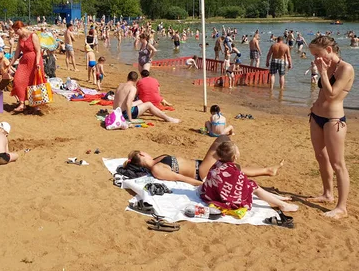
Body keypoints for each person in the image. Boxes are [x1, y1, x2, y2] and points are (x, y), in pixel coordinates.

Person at [307, 36, 355, 219]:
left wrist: (323, 73)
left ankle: (341, 207)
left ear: (329, 50)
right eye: (313, 56)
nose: (316, 59)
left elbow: (332, 95)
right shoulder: (325, 66)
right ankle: (328, 193)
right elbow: (321, 93)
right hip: (317, 116)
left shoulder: (346, 68)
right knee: (321, 157)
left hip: (334, 120)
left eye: (317, 54)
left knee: (338, 163)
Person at [123, 136, 284, 186]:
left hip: (201, 166)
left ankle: (268, 171)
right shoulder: (157, 169)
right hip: (200, 173)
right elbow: (181, 178)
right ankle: (235, 150)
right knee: (221, 139)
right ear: (142, 155)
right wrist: (203, 184)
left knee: (234, 169)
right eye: (144, 152)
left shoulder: (157, 161)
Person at [201, 141, 298, 212]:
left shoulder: (218, 164)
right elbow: (240, 186)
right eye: (237, 151)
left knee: (249, 183)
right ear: (235, 157)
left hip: (212, 194)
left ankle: (278, 198)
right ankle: (283, 205)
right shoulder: (233, 172)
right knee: (252, 186)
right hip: (220, 197)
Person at [113, 71, 180, 123]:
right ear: (135, 80)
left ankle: (155, 111)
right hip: (124, 114)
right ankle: (168, 118)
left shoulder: (120, 85)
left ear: (127, 78)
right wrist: (130, 119)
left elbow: (117, 99)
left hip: (117, 111)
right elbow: (128, 103)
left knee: (141, 101)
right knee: (149, 104)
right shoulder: (132, 88)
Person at [10, 21, 44, 113]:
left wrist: (37, 63)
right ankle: (22, 103)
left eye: (16, 31)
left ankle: (35, 104)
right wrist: (11, 63)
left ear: (20, 28)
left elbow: (38, 51)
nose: (16, 33)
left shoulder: (33, 35)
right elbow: (17, 52)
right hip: (24, 62)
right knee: (18, 79)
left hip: (34, 62)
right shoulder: (20, 38)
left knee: (34, 82)